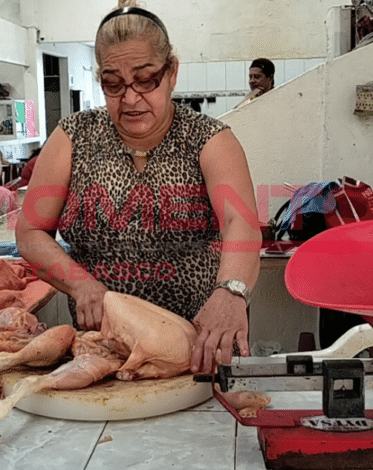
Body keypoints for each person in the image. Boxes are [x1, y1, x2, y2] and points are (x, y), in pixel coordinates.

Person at [15, 1, 261, 374]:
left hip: (196, 348)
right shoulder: (73, 136)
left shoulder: (209, 139)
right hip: (102, 350)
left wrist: (231, 291)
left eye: (146, 80)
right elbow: (31, 230)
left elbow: (239, 223)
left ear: (172, 71)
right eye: (113, 84)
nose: (130, 98)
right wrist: (82, 286)